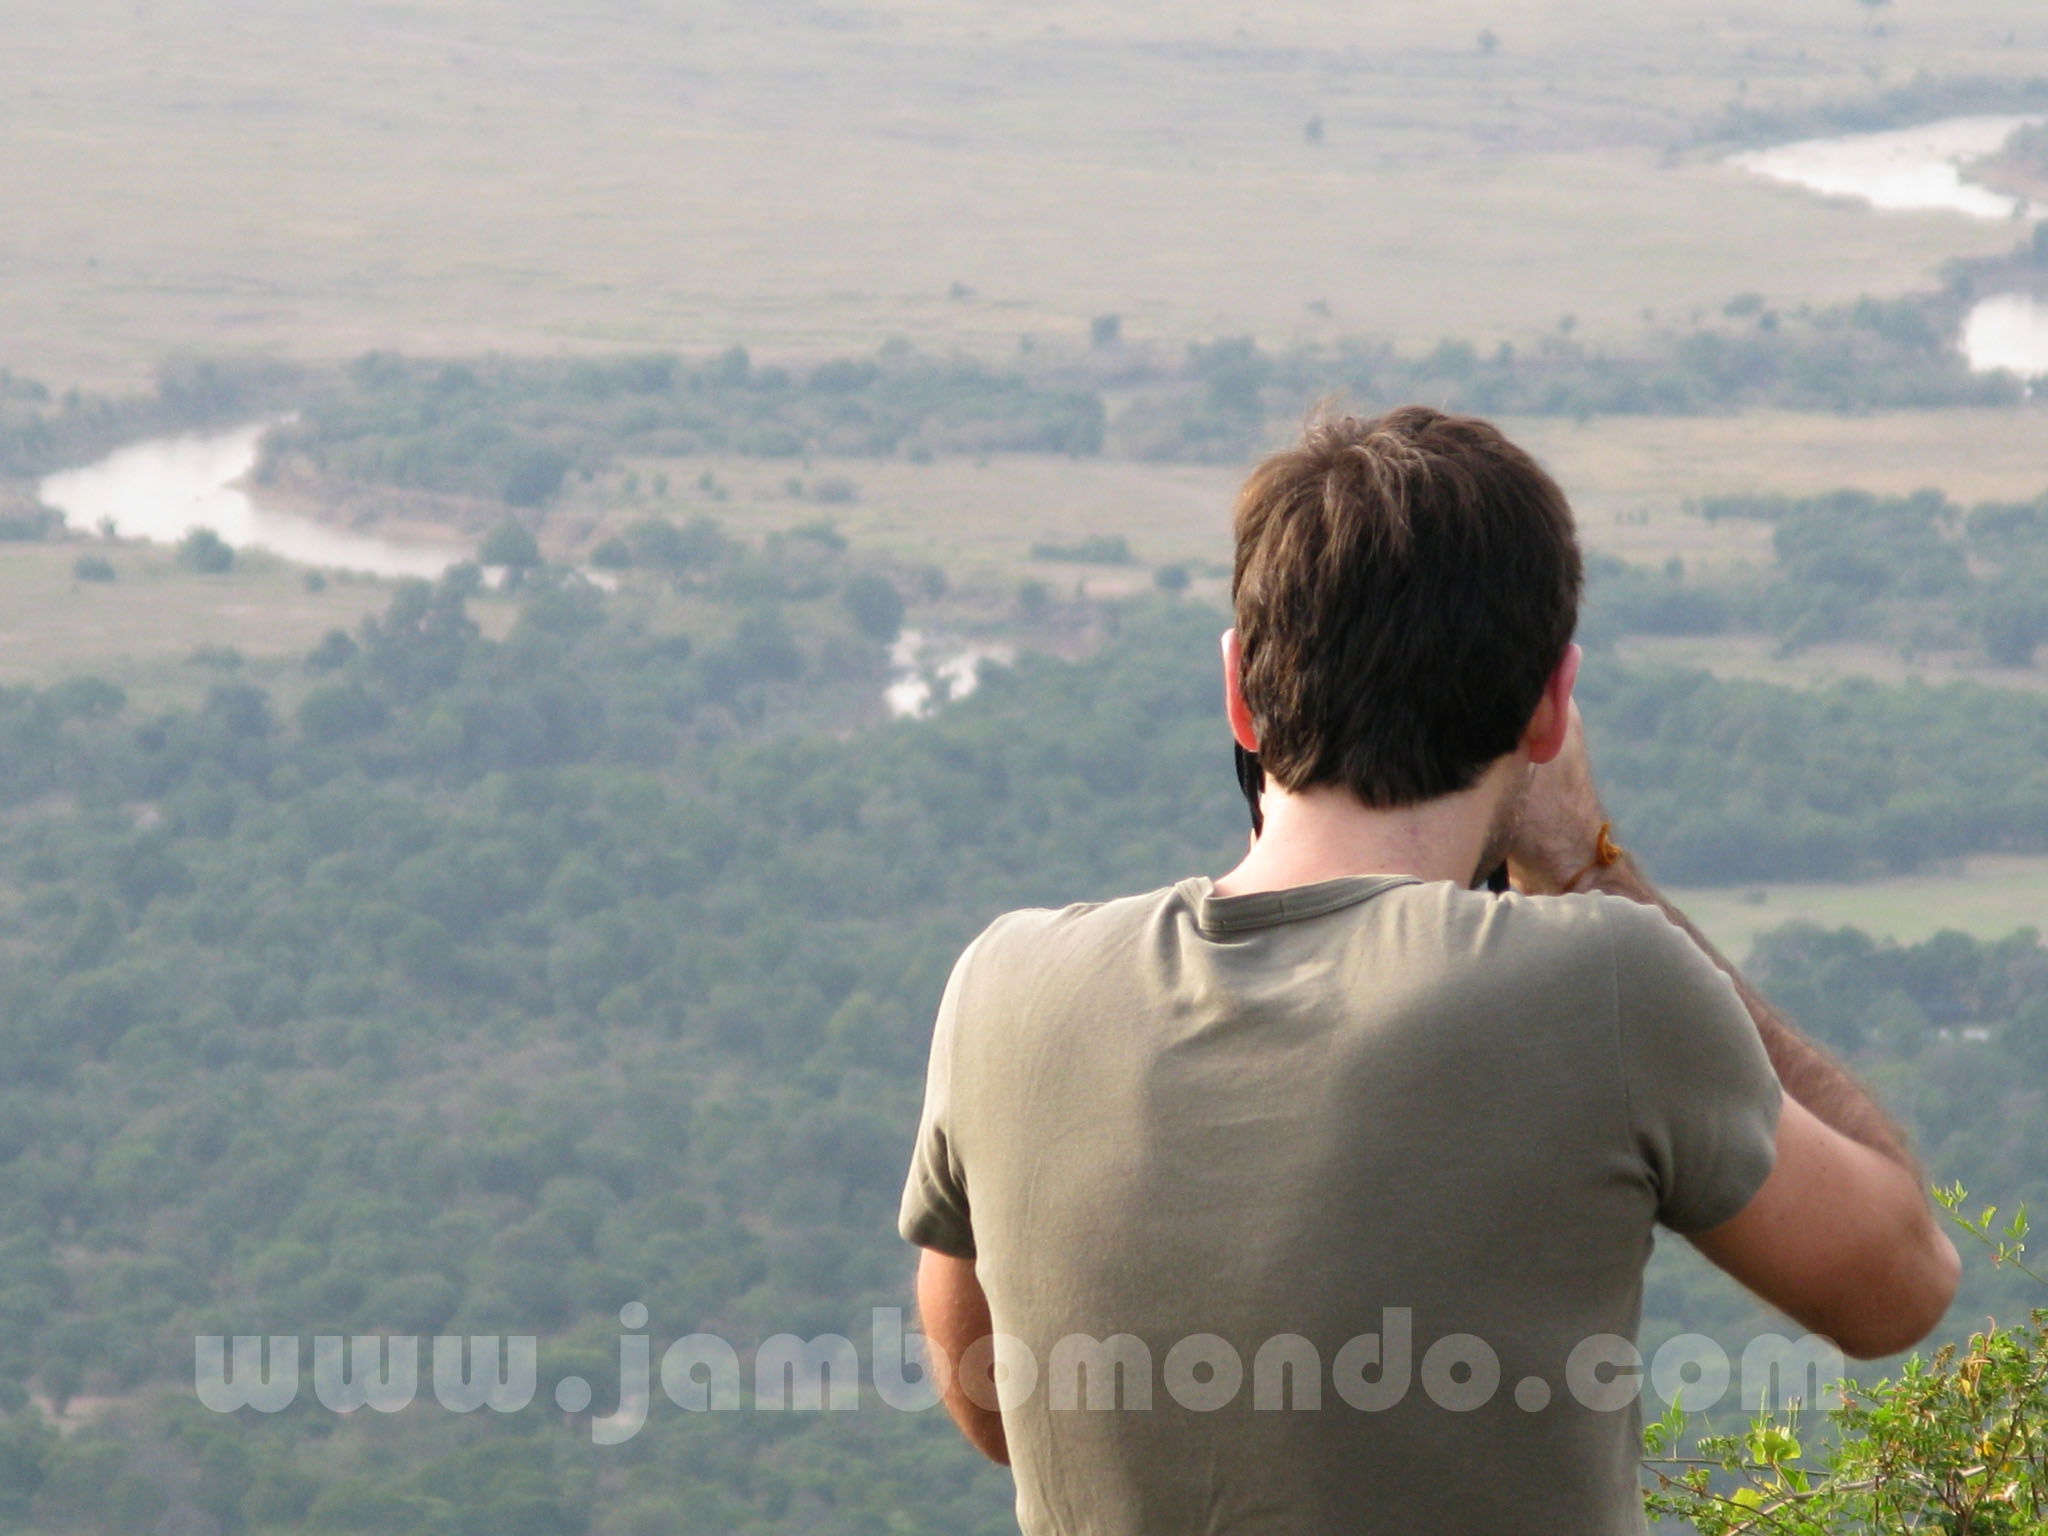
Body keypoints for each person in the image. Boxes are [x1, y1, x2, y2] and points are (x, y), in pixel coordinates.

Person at [896, 407, 1959, 1535]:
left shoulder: (1003, 989)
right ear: (1549, 707)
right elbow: (1896, 1284)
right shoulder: (1599, 984)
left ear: (1240, 691)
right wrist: (1586, 866)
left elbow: (990, 1395)